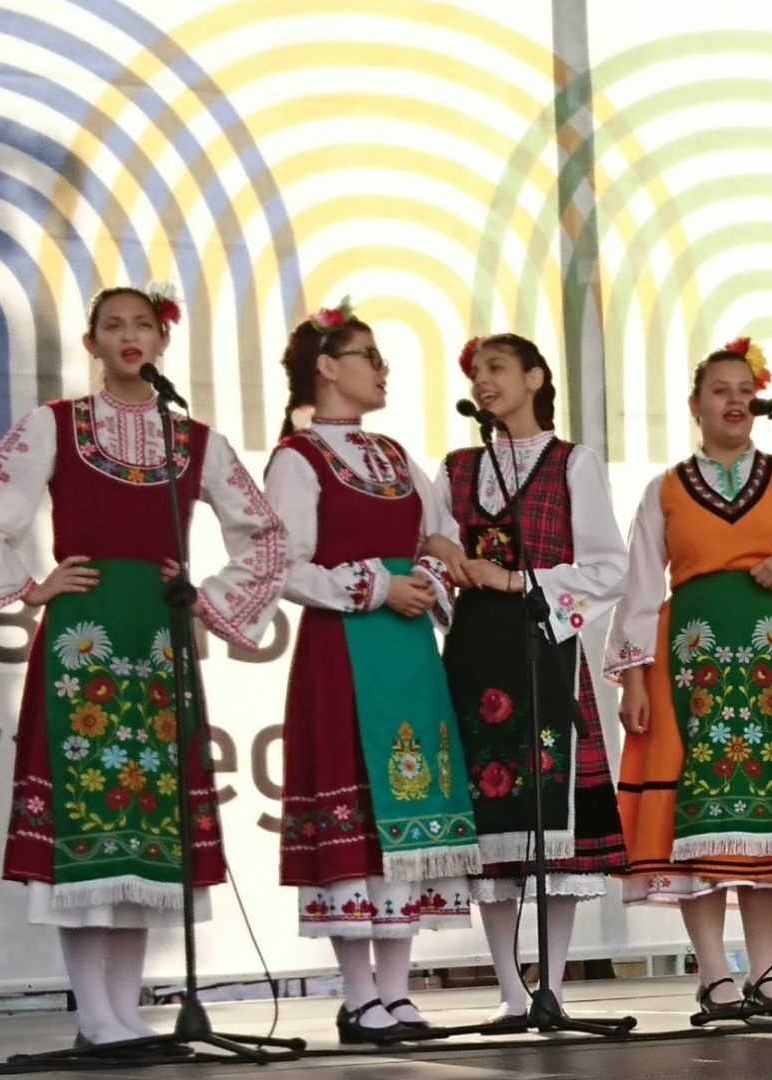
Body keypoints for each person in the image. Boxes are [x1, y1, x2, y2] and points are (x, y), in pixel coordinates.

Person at [0, 284, 287, 1048]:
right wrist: (31, 587)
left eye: (143, 325)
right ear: (92, 343)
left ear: (162, 342)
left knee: (144, 832)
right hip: (86, 634)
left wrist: (209, 599)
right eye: (112, 326)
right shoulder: (56, 425)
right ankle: (93, 1013)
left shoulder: (194, 440)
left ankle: (123, 1013)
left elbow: (265, 534)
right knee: (88, 817)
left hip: (158, 636)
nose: (129, 336)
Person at [607, 337, 772, 1016]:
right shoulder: (666, 488)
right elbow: (639, 588)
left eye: (743, 390)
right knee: (694, 819)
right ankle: (712, 971)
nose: (734, 400)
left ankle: (765, 969)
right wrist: (634, 679)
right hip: (688, 660)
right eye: (719, 390)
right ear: (695, 405)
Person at [265, 299, 483, 1044]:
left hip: (407, 650)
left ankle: (398, 992)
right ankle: (359, 996)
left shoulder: (391, 454)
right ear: (327, 367)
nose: (382, 368)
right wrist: (374, 586)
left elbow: (441, 527)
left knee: (411, 812)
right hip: (343, 652)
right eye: (369, 354)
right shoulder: (297, 459)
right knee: (356, 815)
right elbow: (284, 565)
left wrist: (426, 570)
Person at [430, 334, 628, 1025]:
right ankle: (511, 991)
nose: (483, 382)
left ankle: (555, 990)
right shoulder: (455, 468)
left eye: (496, 369)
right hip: (474, 652)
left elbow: (608, 565)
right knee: (491, 825)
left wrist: (515, 578)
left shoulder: (573, 462)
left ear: (536, 376)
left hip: (544, 649)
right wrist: (440, 562)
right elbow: (428, 556)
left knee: (555, 826)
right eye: (476, 373)